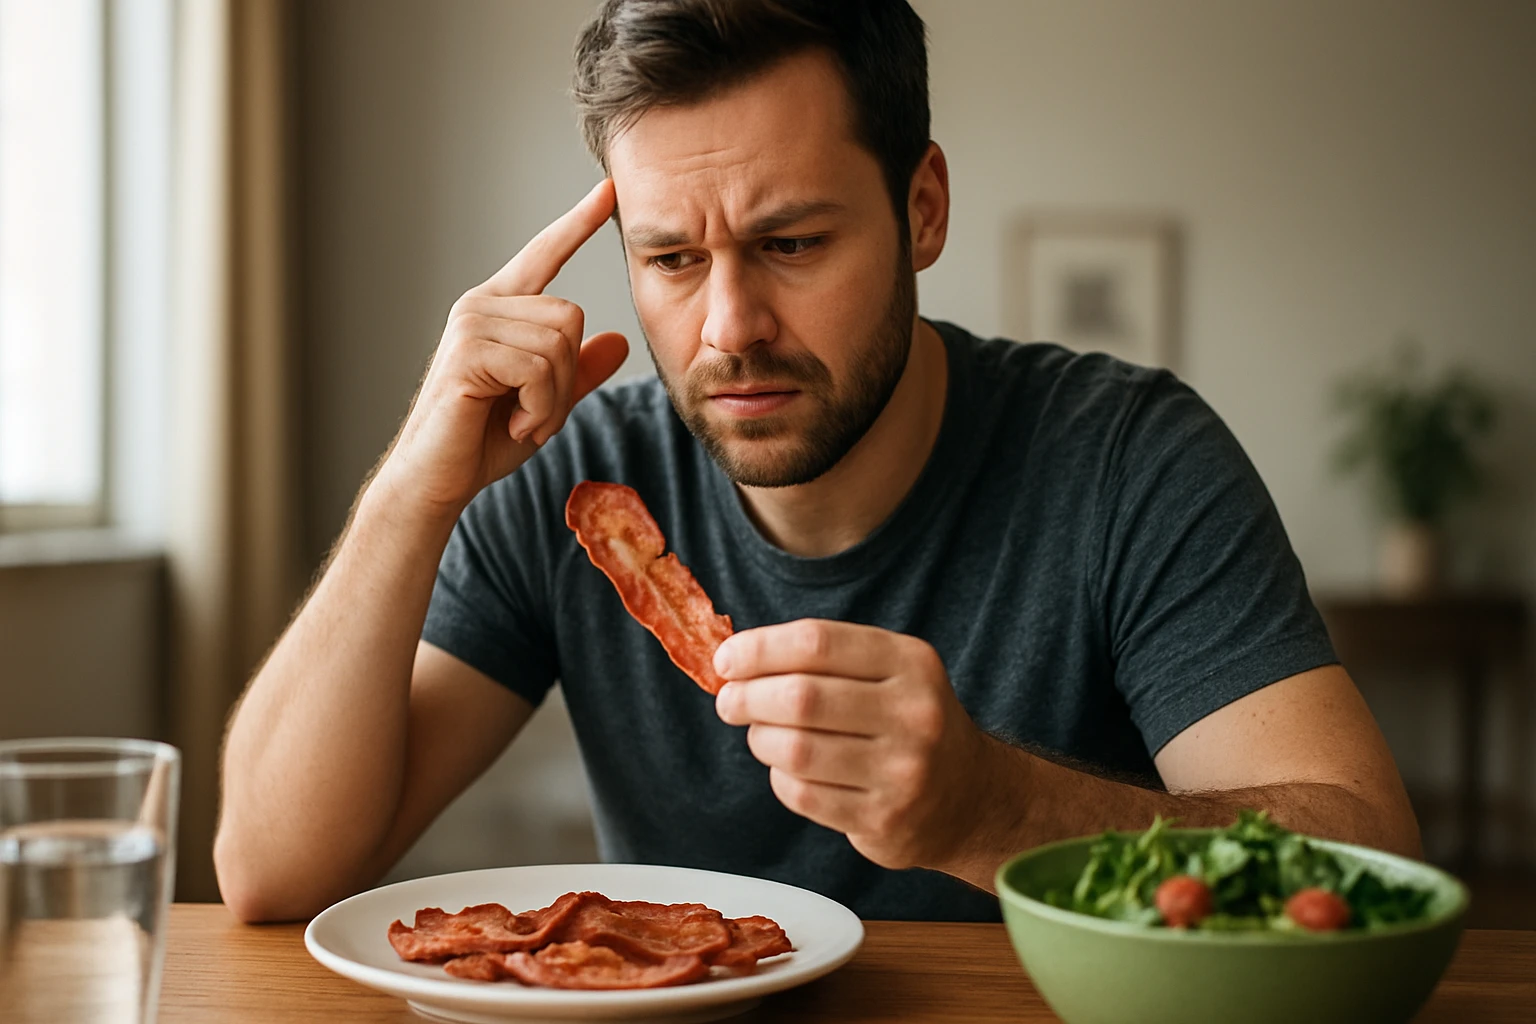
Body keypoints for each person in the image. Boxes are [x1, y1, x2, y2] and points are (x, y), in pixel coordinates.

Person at [215, 0, 1419, 924]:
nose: (729, 324)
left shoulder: (1128, 460)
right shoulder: (573, 477)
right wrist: (409, 494)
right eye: (673, 260)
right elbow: (268, 869)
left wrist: (997, 810)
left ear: (924, 207)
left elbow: (1367, 861)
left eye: (790, 241)